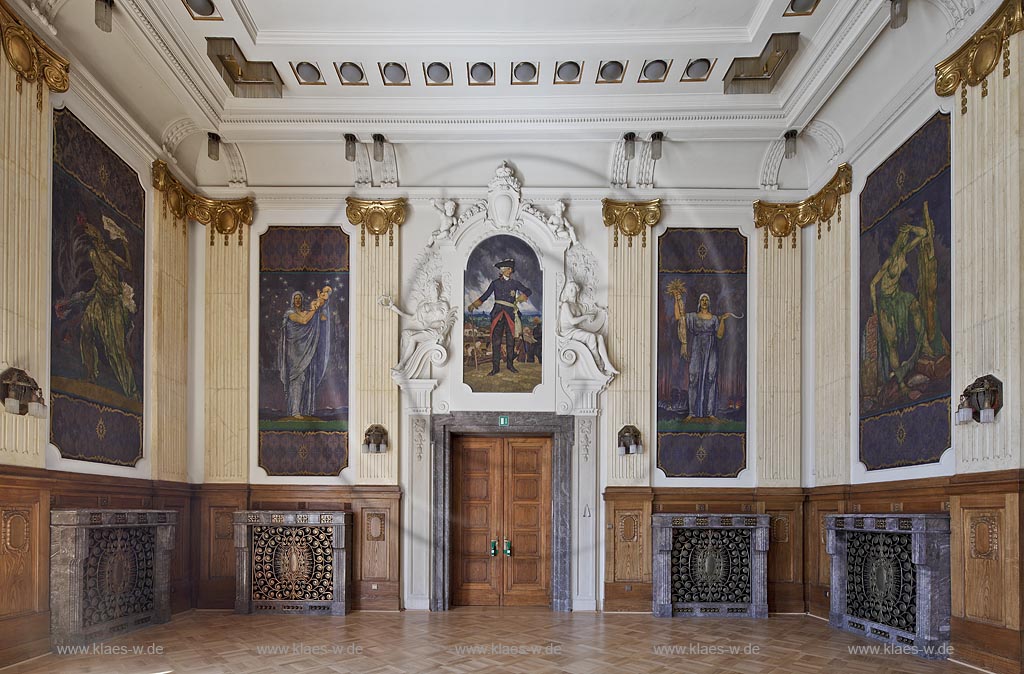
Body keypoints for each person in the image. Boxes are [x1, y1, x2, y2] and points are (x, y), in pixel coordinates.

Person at [79, 214, 138, 400]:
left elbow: (127, 266)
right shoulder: (93, 254)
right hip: (99, 299)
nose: (98, 240)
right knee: (85, 330)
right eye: (93, 237)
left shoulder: (109, 255)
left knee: (116, 350)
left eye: (97, 235)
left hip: (113, 304)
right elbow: (100, 279)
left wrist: (125, 244)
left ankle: (131, 391)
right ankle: (90, 373)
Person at [870, 222, 927, 395]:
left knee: (915, 305)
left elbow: (923, 234)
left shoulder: (904, 253)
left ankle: (922, 345)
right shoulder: (889, 262)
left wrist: (910, 228)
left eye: (903, 239)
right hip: (886, 303)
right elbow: (873, 284)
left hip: (898, 297)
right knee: (892, 343)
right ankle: (901, 383)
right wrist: (875, 308)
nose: (901, 242)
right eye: (900, 239)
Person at [671, 288, 740, 420]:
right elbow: (679, 317)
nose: (704, 302)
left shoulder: (714, 318)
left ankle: (710, 413)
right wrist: (677, 299)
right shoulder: (692, 317)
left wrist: (723, 321)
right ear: (699, 302)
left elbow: (719, 335)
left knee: (711, 378)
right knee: (693, 377)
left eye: (706, 300)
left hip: (711, 349)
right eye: (702, 299)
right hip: (697, 348)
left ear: (708, 303)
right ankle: (692, 413)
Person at [467, 259, 532, 376]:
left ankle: (510, 365)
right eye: (507, 268)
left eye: (510, 269)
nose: (509, 270)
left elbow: (528, 291)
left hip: (511, 315)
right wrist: (474, 305)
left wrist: (520, 298)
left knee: (510, 342)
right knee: (496, 342)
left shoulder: (515, 283)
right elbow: (485, 295)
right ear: (503, 270)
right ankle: (495, 368)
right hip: (497, 314)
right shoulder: (495, 283)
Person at [379, 283, 457, 378]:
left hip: (437, 332)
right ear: (429, 292)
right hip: (428, 330)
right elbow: (412, 318)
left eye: (436, 289)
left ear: (439, 291)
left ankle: (402, 365)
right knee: (405, 333)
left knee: (413, 338)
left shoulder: (443, 305)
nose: (435, 292)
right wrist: (393, 308)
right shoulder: (425, 306)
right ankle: (404, 363)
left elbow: (447, 322)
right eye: (432, 290)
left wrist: (444, 334)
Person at [278, 288, 331, 418]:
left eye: (300, 298)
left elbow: (319, 318)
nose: (298, 300)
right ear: (292, 300)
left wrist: (321, 305)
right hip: (293, 352)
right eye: (295, 298)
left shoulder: (305, 312)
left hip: (304, 351)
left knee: (303, 379)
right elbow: (304, 321)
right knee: (296, 378)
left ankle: (301, 409)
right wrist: (314, 308)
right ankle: (294, 411)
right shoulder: (289, 313)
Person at [558, 281, 618, 375]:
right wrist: (586, 316)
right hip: (567, 332)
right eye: (569, 289)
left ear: (577, 291)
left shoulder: (578, 306)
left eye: (573, 289)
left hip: (574, 330)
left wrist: (598, 313)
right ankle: (598, 365)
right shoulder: (566, 305)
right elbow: (573, 321)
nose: (571, 291)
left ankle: (607, 364)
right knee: (591, 337)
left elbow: (585, 319)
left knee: (600, 337)